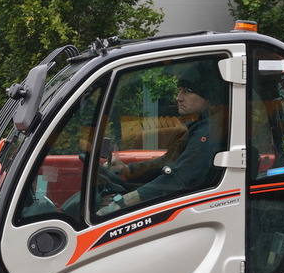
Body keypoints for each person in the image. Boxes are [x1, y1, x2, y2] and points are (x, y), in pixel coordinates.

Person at [97, 69, 230, 217]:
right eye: (179, 91)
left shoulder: (209, 132)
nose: (178, 98)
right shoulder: (199, 126)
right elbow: (166, 162)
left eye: (187, 91)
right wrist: (128, 169)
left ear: (208, 96)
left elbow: (180, 177)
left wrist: (122, 203)